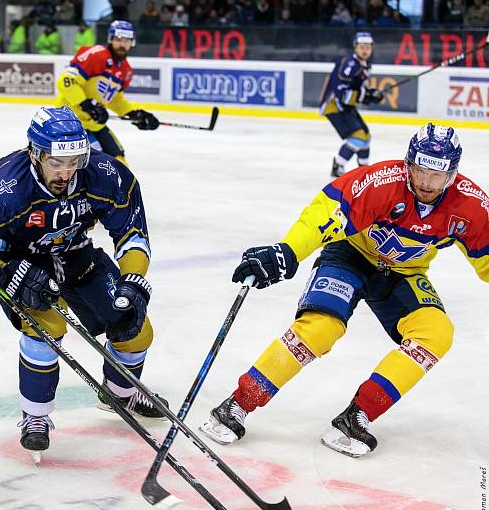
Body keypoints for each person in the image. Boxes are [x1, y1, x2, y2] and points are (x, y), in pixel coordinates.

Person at [200, 124, 489, 458]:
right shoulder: (381, 183)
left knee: (437, 333)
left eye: (435, 175)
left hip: (404, 274)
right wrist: (289, 251)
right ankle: (238, 403)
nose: (425, 182)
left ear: (452, 175)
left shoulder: (471, 207)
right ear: (408, 163)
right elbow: (327, 211)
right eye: (420, 170)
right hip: (349, 257)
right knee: (322, 327)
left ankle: (357, 415)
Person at [0, 107, 166, 462]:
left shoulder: (106, 174)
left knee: (133, 324)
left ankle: (120, 393)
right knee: (47, 327)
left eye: (75, 160)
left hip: (77, 254)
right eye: (56, 162)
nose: (67, 172)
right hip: (20, 263)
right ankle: (35, 417)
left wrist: (133, 279)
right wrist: (11, 276)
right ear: (35, 153)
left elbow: (130, 232)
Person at [56, 20, 159, 163]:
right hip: (70, 123)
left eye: (127, 41)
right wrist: (87, 105)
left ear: (132, 42)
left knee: (119, 163)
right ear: (111, 39)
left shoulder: (126, 71)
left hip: (95, 124)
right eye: (118, 40)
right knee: (97, 166)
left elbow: (115, 98)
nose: (122, 45)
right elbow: (66, 81)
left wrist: (134, 114)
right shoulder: (97, 55)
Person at [320, 31, 384, 178]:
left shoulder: (364, 64)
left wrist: (368, 94)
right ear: (355, 47)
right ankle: (338, 166)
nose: (365, 50)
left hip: (345, 105)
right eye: (362, 47)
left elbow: (355, 89)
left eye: (368, 47)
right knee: (359, 137)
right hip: (334, 105)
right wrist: (366, 96)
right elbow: (343, 94)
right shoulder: (350, 64)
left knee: (366, 136)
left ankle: (364, 171)